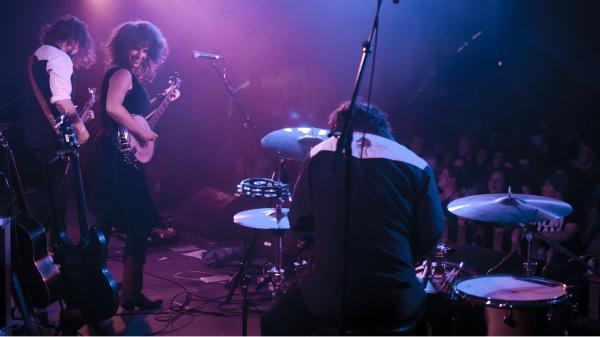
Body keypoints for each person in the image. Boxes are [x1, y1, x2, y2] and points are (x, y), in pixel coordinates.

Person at [261, 101, 444, 335]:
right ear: (385, 130)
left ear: (337, 128)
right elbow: (429, 237)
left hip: (330, 296)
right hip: (395, 300)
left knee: (273, 321)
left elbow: (300, 221)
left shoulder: (321, 152)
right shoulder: (417, 164)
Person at [87, 20, 168, 311]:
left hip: (117, 155)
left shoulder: (126, 75)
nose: (141, 55)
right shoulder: (121, 73)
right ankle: (111, 294)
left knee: (113, 224)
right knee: (130, 222)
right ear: (123, 46)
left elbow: (129, 112)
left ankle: (120, 294)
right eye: (136, 47)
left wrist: (158, 106)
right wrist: (141, 132)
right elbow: (112, 108)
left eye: (146, 50)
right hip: (117, 159)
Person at [19, 15, 95, 239]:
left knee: (44, 196)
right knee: (55, 198)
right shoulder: (59, 56)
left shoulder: (36, 55)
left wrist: (78, 117)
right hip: (50, 140)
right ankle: (55, 252)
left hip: (32, 136)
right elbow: (61, 99)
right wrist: (81, 127)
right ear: (73, 41)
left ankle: (43, 251)